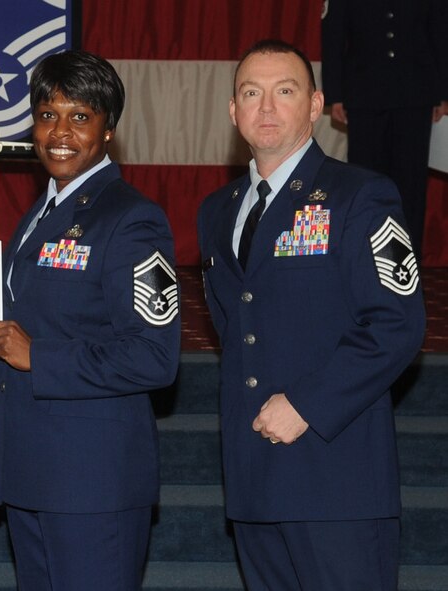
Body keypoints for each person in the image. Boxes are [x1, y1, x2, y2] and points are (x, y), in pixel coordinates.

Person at [0, 50, 180, 590]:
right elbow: (17, 344)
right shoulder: (39, 215)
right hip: (31, 476)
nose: (59, 131)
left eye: (80, 117)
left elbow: (154, 357)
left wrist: (36, 354)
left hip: (94, 486)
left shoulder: (133, 219)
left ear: (108, 130)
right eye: (47, 114)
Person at [197, 39, 426, 590]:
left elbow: (398, 324)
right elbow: (237, 328)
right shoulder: (216, 211)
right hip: (254, 478)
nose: (267, 108)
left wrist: (307, 403)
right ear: (233, 111)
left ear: (316, 105)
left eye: (285, 91)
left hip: (336, 477)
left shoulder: (361, 196)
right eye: (251, 93)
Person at [321, 0, 448, 260]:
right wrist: (335, 94)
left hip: (415, 95)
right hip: (364, 95)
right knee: (365, 183)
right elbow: (333, 33)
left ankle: (405, 266)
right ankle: (365, 262)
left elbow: (441, 33)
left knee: (410, 187)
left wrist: (442, 93)